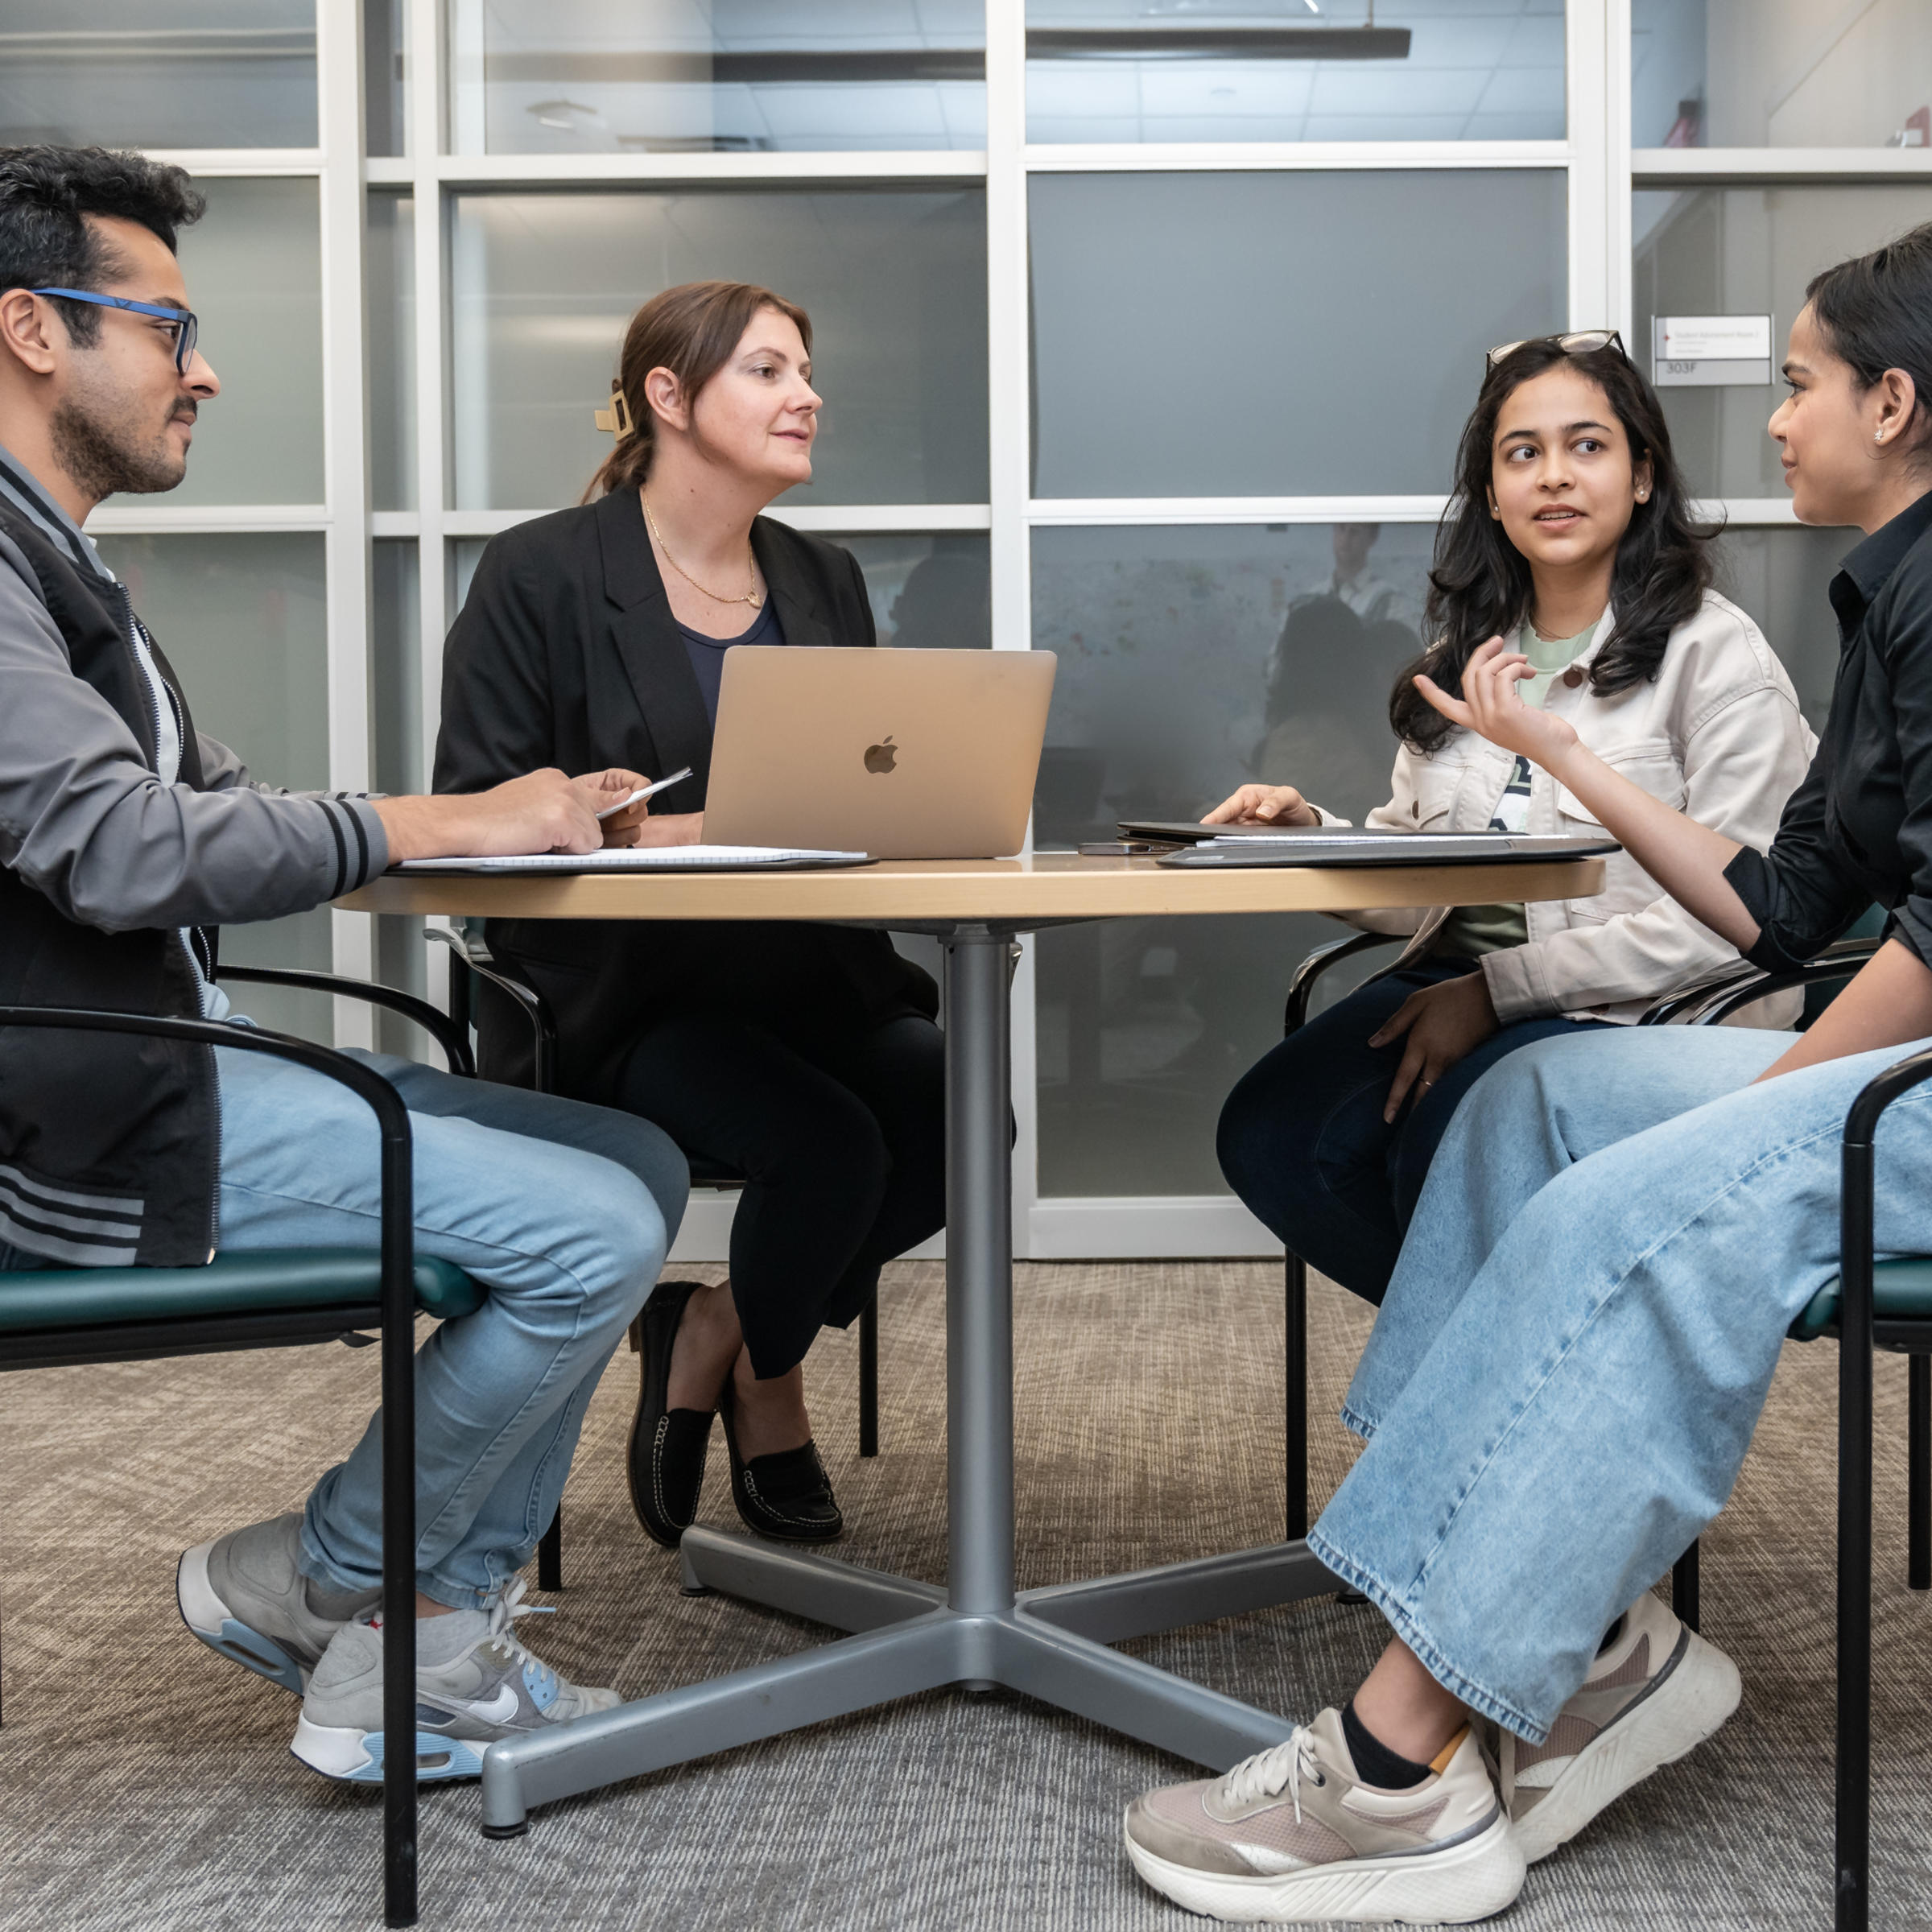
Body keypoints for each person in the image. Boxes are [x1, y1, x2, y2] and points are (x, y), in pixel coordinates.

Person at [1125, 229, 1932, 1922]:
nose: (1775, 423)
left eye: (1793, 388)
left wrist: (1758, 1101)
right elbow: (1789, 891)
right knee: (1515, 1110)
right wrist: (1530, 758)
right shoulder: (1887, 605)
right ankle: (1558, 1629)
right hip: (1823, 1032)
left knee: (1606, 1201)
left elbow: (1838, 942)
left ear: (1896, 400)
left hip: (1835, 1049)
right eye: (1522, 450)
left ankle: (1403, 1767)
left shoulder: (1755, 635)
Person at [0, 145, 691, 1783]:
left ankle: (387, 1614)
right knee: (590, 1235)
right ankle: (363, 1597)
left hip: (172, 1061)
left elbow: (206, 801)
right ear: (32, 328)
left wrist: (507, 816)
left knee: (632, 1158)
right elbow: (121, 849)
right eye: (167, 328)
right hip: (78, 1130)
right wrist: (430, 818)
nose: (206, 368)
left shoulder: (54, 560)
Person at [435, 280, 946, 1552]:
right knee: (827, 1150)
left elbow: (849, 785)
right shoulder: (544, 572)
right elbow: (470, 813)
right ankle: (771, 1391)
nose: (807, 393)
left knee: (955, 1110)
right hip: (628, 991)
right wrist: (633, 828)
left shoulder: (822, 579)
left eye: (806, 368)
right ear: (668, 397)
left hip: (811, 974)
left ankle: (718, 1326)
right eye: (770, 370)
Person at [1208, 332, 1815, 1305]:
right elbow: (1423, 883)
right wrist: (1305, 834)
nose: (1554, 478)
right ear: (1492, 492)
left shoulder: (1717, 657)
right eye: (1522, 453)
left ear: (1644, 472)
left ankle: (1484, 1411)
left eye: (1588, 446)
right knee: (1271, 1133)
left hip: (1638, 1002)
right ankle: (1527, 1364)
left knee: (1448, 1152)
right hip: (1462, 975)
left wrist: (1500, 993)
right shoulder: (1463, 656)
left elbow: (1746, 914)